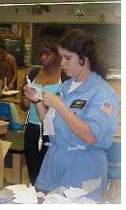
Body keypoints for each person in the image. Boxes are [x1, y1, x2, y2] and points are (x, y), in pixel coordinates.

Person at [23, 29, 119, 200]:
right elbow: (51, 126)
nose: (62, 64)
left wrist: (59, 105)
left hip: (82, 167)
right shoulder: (66, 87)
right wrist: (37, 101)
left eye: (67, 58)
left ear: (84, 58)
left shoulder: (103, 93)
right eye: (62, 57)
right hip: (53, 165)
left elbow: (90, 136)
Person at [20, 24, 69, 186]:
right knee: (34, 176)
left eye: (48, 54)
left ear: (58, 54)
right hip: (32, 131)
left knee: (52, 178)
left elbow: (67, 111)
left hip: (54, 133)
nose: (43, 58)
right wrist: (26, 102)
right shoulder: (33, 74)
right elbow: (24, 107)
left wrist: (44, 102)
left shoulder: (65, 77)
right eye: (40, 54)